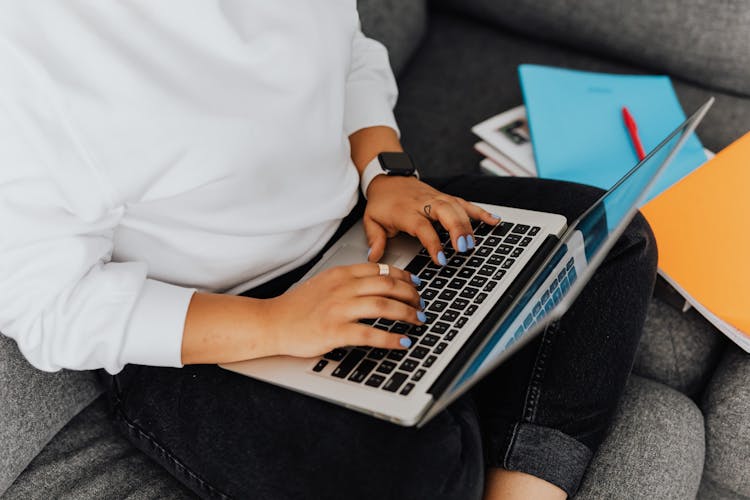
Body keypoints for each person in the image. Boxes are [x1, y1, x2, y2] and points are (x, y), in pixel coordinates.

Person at [0, 3, 657, 499]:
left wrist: (388, 174)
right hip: (213, 328)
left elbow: (348, 52)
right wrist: (276, 324)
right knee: (413, 471)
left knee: (605, 238)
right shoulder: (27, 55)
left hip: (361, 232)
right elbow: (52, 308)